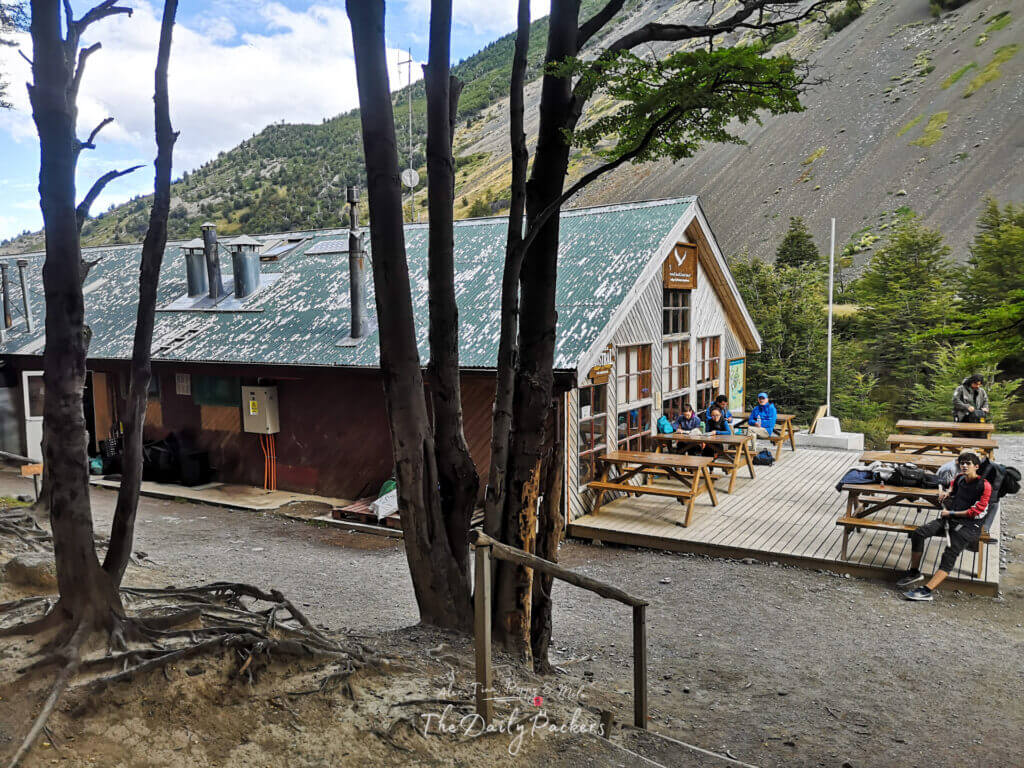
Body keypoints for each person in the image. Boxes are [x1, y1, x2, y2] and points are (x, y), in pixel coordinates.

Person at [898, 452, 991, 601]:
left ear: (977, 466)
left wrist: (951, 512)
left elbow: (976, 511)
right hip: (951, 519)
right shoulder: (960, 478)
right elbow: (953, 484)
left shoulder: (984, 486)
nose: (964, 466)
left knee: (948, 555)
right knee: (919, 533)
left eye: (968, 463)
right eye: (962, 463)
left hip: (969, 526)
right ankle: (914, 572)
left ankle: (927, 591)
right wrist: (947, 493)